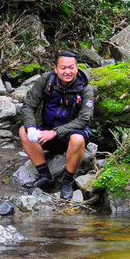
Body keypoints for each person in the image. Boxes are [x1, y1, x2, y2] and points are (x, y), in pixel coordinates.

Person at [18, 50, 95, 201]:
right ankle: (44, 175)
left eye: (71, 67)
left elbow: (84, 119)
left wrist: (56, 132)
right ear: (56, 68)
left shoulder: (85, 88)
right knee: (23, 130)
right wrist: (32, 127)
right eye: (63, 68)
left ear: (77, 67)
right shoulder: (46, 81)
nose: (68, 71)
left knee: (78, 139)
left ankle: (67, 181)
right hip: (48, 131)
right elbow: (28, 106)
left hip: (72, 133)